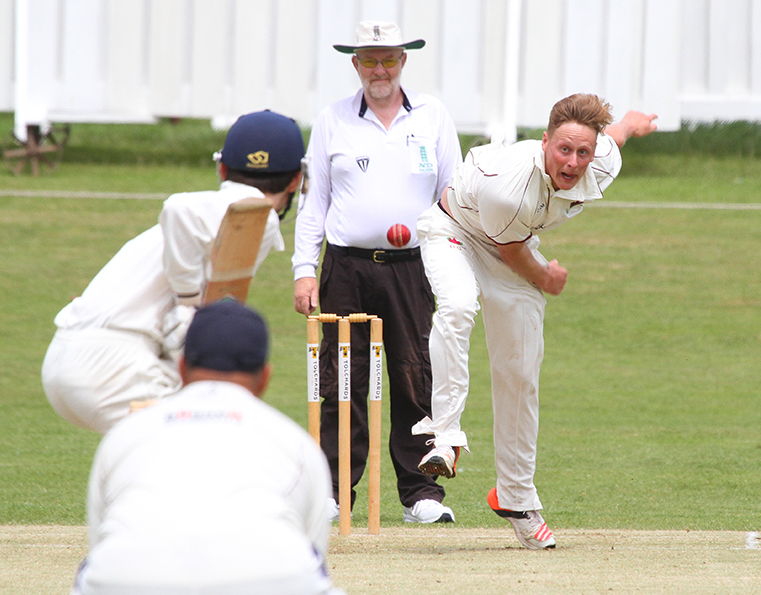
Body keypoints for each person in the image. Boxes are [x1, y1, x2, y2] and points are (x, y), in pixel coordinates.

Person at [412, 94, 658, 548]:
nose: (573, 162)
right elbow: (513, 253)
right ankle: (445, 438)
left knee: (521, 371)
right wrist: (547, 278)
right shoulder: (509, 186)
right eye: (563, 149)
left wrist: (631, 122)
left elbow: (615, 136)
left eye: (583, 151)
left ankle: (515, 498)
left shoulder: (601, 161)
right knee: (459, 306)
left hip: (510, 245)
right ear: (545, 142)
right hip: (455, 231)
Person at [292, 21, 462, 524]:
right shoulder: (333, 119)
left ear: (403, 61)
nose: (380, 69)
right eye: (370, 60)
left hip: (414, 267)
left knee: (415, 375)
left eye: (389, 59)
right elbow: (314, 203)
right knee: (341, 379)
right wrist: (304, 270)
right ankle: (334, 491)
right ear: (356, 64)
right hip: (346, 267)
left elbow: (453, 194)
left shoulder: (432, 115)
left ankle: (421, 494)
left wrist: (456, 261)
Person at [42, 110, 305, 434]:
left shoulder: (232, 212)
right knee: (208, 435)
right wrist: (188, 302)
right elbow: (179, 208)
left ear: (222, 168)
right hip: (114, 366)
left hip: (70, 359)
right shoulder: (253, 211)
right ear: (297, 179)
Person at [70, 299, 343, 595]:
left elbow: (100, 536)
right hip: (269, 579)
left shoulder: (125, 434)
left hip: (126, 579)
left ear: (182, 368)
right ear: (265, 377)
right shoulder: (296, 442)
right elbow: (313, 550)